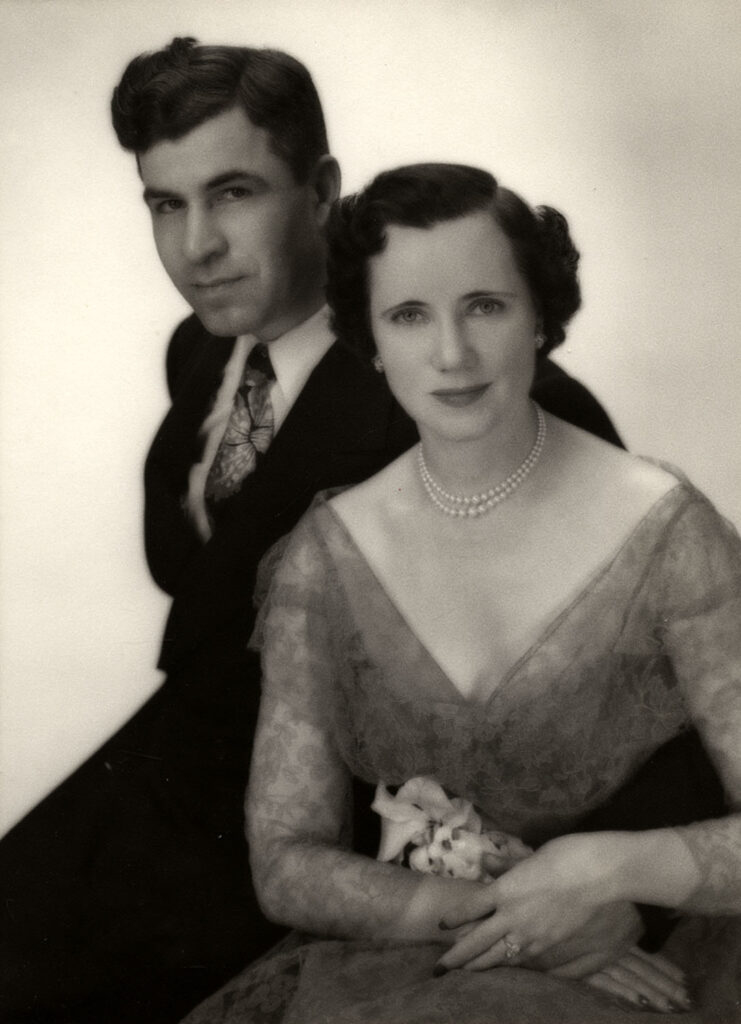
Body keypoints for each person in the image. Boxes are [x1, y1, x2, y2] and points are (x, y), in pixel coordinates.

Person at [0, 42, 723, 1024]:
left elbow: (639, 691)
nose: (196, 246)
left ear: (321, 190)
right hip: (195, 795)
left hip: (357, 858)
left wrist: (604, 901)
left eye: (234, 192)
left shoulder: (478, 394)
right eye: (166, 205)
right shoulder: (201, 354)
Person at [177, 164, 741, 1024]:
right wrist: (511, 922)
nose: (451, 353)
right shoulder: (325, 560)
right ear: (367, 337)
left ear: (540, 318)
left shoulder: (669, 531)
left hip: (661, 965)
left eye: (485, 305)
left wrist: (603, 872)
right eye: (408, 315)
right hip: (423, 960)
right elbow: (286, 861)